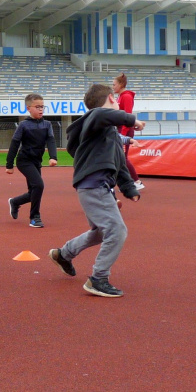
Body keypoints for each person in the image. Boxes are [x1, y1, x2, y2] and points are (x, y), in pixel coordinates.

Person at [48, 83, 145, 298]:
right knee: (117, 231)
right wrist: (131, 120)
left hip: (99, 186)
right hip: (94, 185)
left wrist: (129, 188)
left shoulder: (107, 132)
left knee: (101, 232)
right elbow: (100, 114)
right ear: (112, 97)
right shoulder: (93, 119)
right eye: (116, 101)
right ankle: (98, 278)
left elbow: (119, 162)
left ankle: (64, 254)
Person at [5, 93, 58, 228]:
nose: (41, 109)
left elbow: (51, 141)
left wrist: (53, 157)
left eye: (42, 107)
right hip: (24, 161)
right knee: (39, 185)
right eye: (37, 107)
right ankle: (35, 217)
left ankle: (15, 202)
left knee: (34, 191)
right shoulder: (24, 125)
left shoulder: (47, 124)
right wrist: (9, 165)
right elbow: (14, 144)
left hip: (36, 162)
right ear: (28, 108)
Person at [112, 72, 144, 191]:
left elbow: (127, 115)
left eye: (114, 84)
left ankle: (136, 181)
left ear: (121, 84)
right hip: (121, 129)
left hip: (124, 131)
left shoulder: (126, 97)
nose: (113, 86)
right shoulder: (120, 97)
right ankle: (129, 181)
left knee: (123, 158)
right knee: (119, 157)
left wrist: (124, 134)